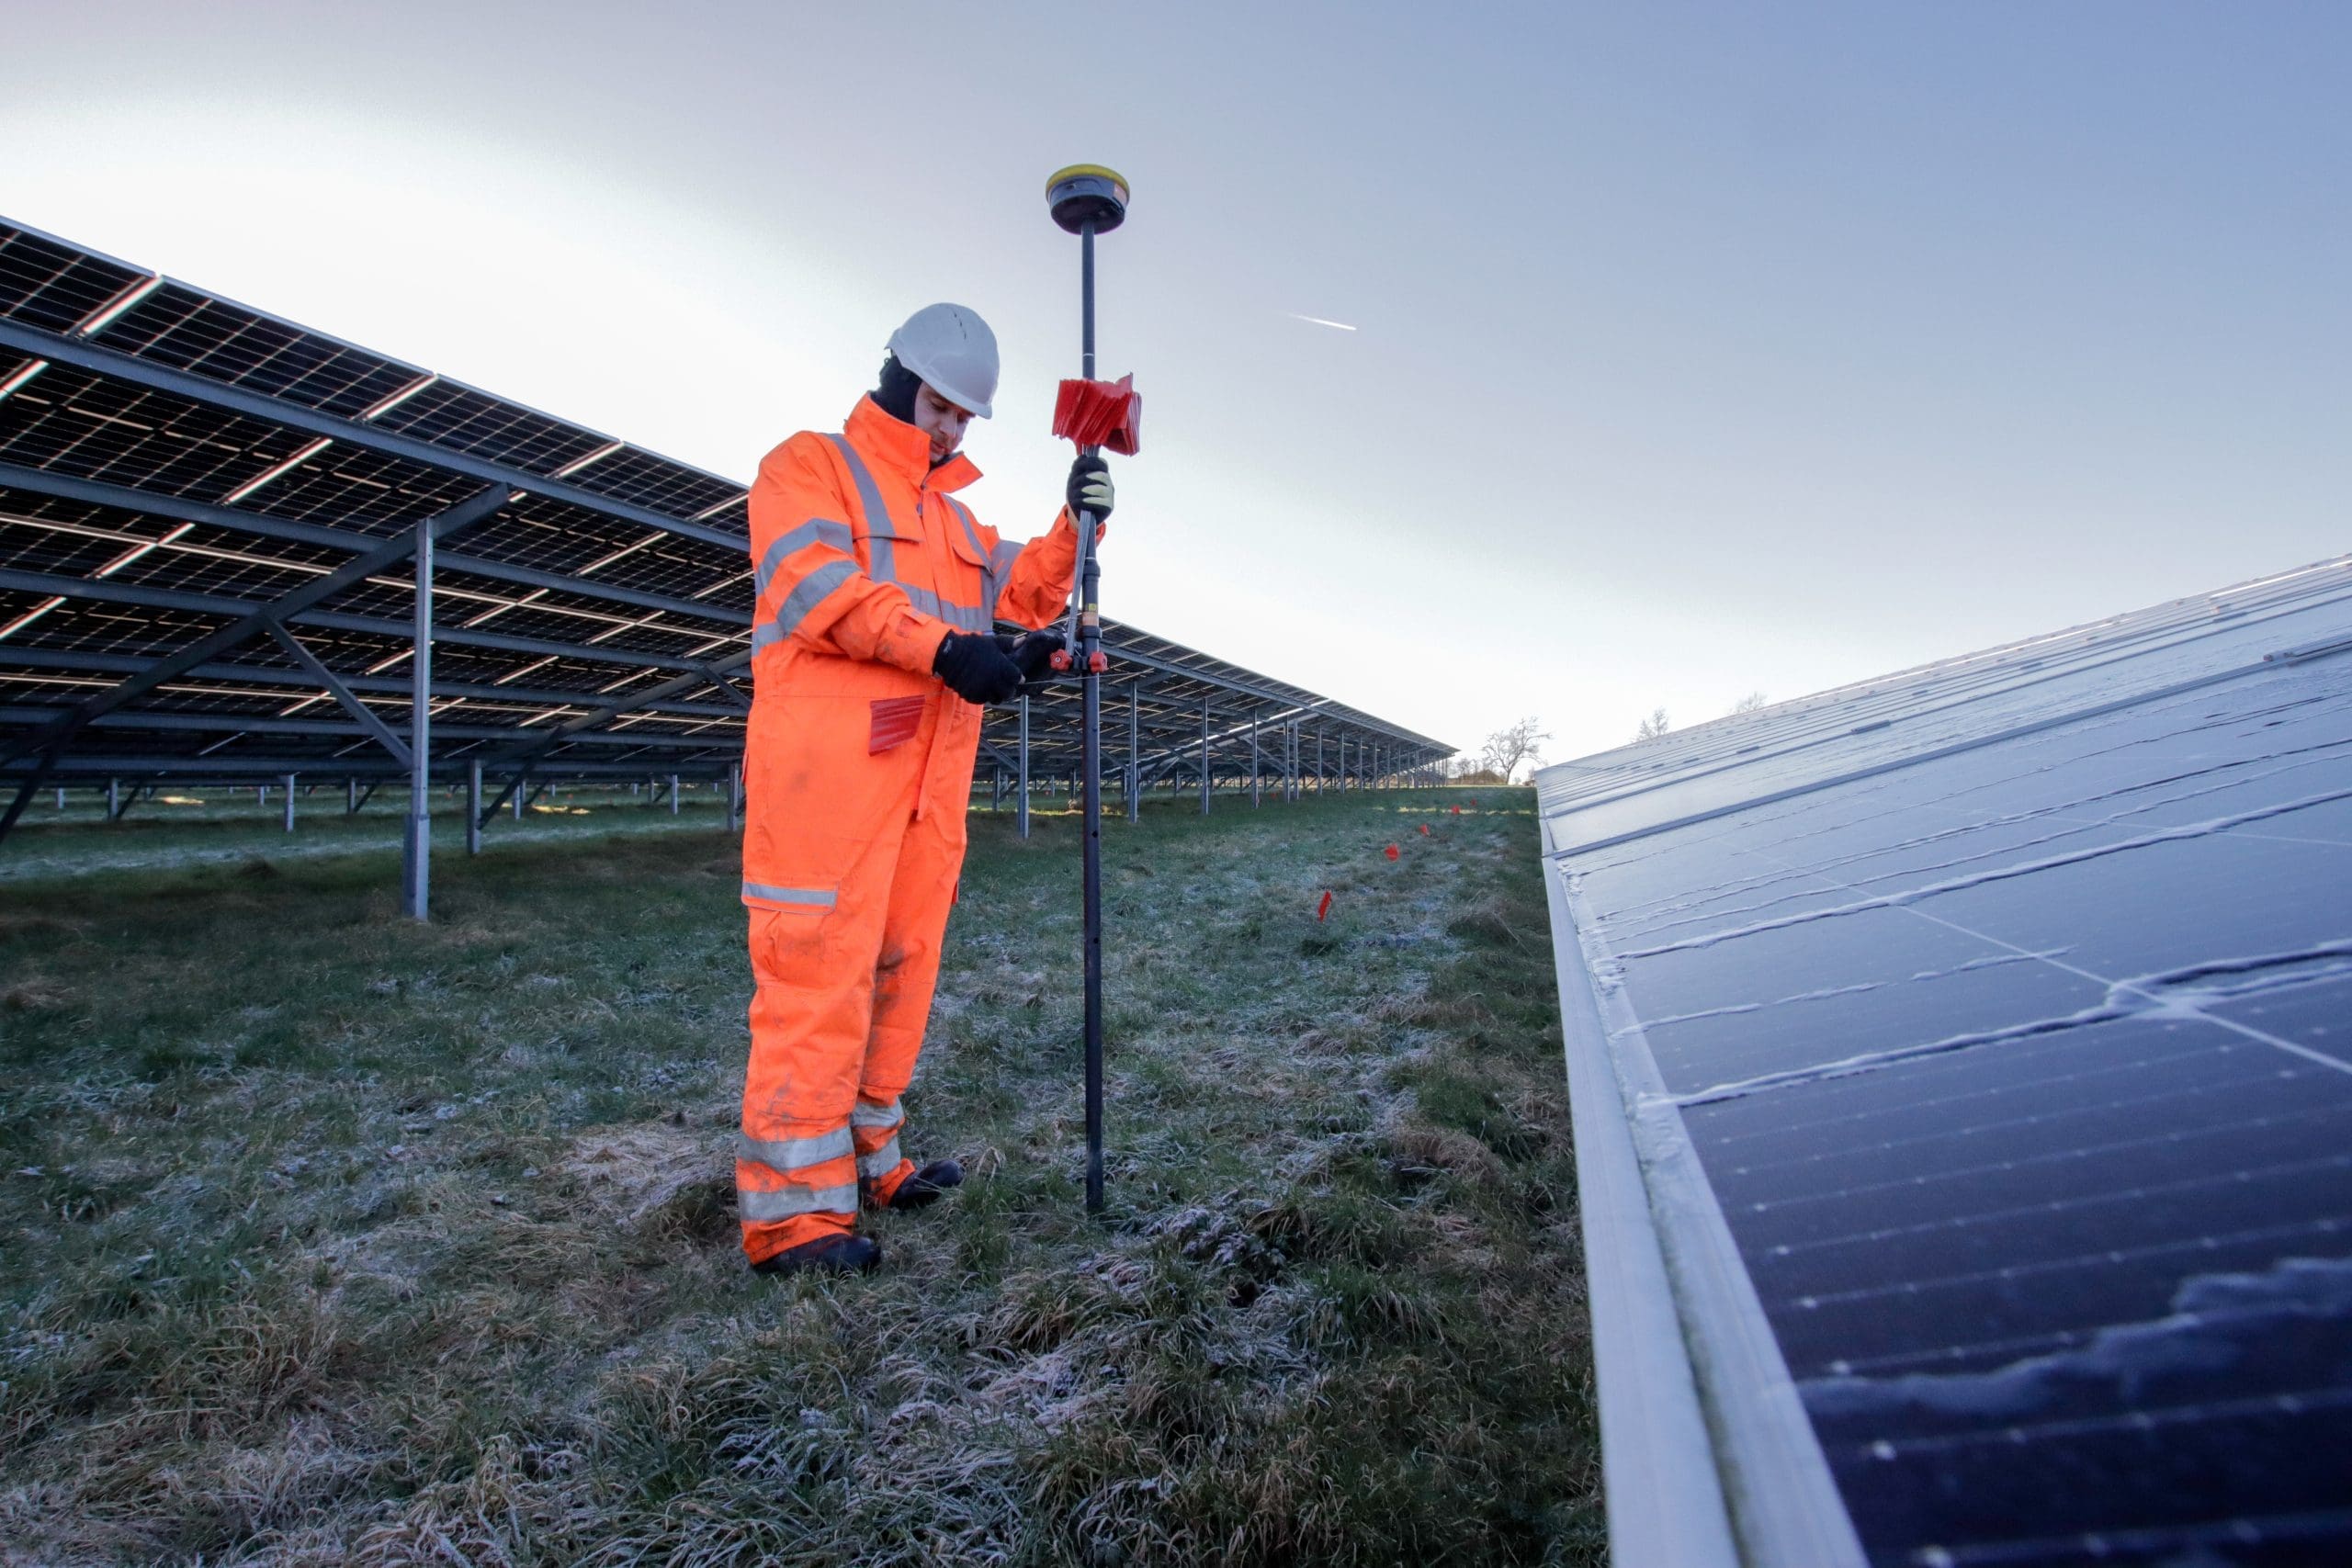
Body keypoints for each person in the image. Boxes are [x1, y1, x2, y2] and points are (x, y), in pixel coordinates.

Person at [735, 303, 1113, 1275]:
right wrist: (944, 648)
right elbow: (817, 589)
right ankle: (790, 1220)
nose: (948, 430)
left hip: (924, 793)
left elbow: (1020, 593)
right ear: (899, 380)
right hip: (827, 788)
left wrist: (1076, 525)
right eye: (940, 408)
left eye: (964, 420)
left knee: (902, 978)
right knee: (814, 987)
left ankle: (872, 1166)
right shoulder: (809, 468)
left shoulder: (949, 520)